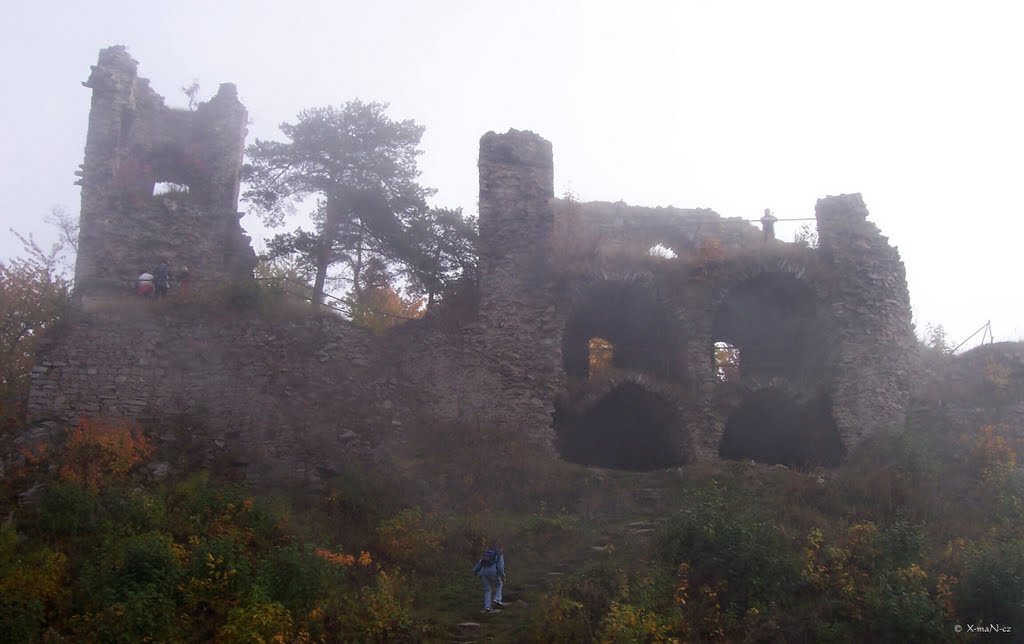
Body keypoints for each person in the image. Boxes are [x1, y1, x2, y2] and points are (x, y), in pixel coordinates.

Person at [473, 545, 506, 612]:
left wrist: (475, 573)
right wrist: (502, 576)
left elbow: (477, 566)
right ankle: (497, 599)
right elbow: (500, 567)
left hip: (483, 573)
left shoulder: (487, 554)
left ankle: (487, 607)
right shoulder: (499, 554)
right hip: (492, 572)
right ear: (501, 548)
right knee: (499, 584)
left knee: (487, 590)